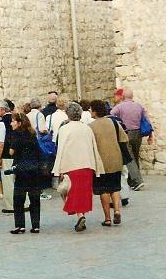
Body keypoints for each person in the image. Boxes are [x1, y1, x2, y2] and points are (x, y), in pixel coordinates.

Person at [53, 102, 104, 232]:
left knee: (72, 193)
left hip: (71, 165)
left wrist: (58, 169)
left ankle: (80, 215)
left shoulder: (65, 129)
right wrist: (97, 166)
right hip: (87, 164)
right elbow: (93, 147)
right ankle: (81, 215)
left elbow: (61, 149)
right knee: (83, 193)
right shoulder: (87, 128)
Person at [89, 100, 128, 226]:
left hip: (101, 163)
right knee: (115, 188)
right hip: (116, 159)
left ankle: (107, 218)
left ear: (95, 111)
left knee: (103, 190)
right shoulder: (114, 123)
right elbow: (124, 139)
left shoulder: (91, 127)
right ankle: (116, 210)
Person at [7, 111, 46, 234]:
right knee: (34, 198)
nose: (11, 123)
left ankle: (20, 226)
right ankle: (35, 226)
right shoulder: (32, 134)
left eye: (13, 121)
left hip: (22, 169)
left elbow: (11, 152)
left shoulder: (17, 135)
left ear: (19, 123)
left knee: (18, 199)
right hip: (34, 169)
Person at [110, 88, 154, 191]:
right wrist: (150, 135)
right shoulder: (139, 106)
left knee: (130, 158)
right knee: (135, 156)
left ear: (123, 96)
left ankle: (138, 181)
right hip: (138, 134)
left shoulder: (119, 107)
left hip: (126, 134)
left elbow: (111, 115)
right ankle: (133, 182)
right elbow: (146, 120)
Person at [0, 99, 18, 212]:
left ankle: (11, 205)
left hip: (7, 156)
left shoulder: (1, 124)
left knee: (8, 182)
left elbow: (1, 144)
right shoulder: (17, 119)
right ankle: (25, 203)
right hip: (19, 154)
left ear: (3, 110)